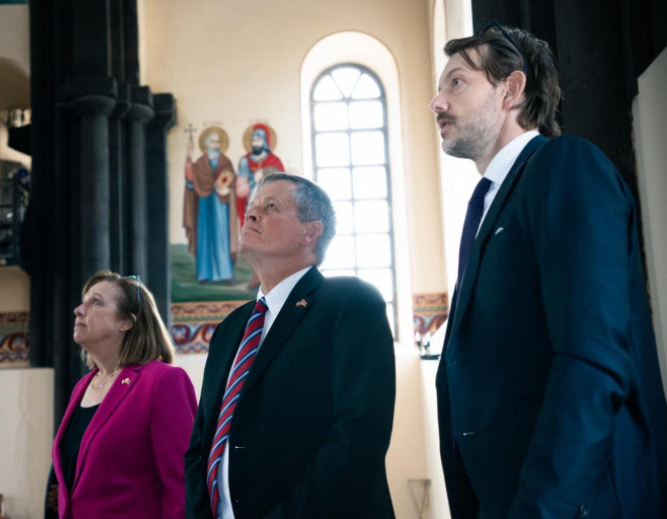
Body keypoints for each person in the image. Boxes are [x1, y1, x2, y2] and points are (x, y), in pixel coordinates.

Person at [430, 22, 667, 518]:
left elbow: (590, 356)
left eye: (457, 82)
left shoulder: (563, 166)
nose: (437, 102)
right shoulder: (489, 205)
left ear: (512, 89)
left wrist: (544, 508)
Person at [185, 173, 396, 518]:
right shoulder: (230, 328)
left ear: (310, 232)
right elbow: (200, 444)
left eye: (270, 207)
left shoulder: (349, 303)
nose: (251, 214)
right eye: (252, 206)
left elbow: (357, 437)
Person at [50, 271, 198, 519]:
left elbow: (182, 485)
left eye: (95, 302)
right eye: (83, 301)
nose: (78, 310)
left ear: (126, 322)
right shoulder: (82, 386)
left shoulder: (161, 381)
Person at [184, 127, 239, 283]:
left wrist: (227, 189)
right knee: (204, 237)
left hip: (221, 205)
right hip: (204, 204)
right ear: (206, 144)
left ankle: (225, 274)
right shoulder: (200, 164)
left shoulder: (226, 163)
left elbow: (231, 182)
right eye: (213, 142)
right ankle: (204, 274)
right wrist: (188, 160)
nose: (216, 145)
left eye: (218, 142)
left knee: (222, 237)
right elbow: (191, 182)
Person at [235, 123, 285, 226]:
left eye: (258, 140)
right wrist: (254, 181)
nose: (255, 143)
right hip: (250, 206)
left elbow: (282, 186)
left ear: (265, 141)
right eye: (253, 140)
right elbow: (240, 192)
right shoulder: (245, 161)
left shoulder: (274, 161)